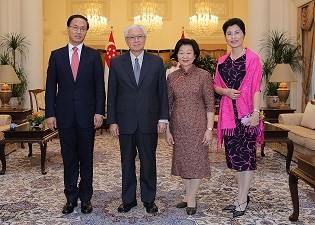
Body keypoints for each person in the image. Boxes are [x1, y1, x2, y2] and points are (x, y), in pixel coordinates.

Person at [45, 14, 105, 215]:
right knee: (69, 158)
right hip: (64, 116)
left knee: (86, 159)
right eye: (75, 27)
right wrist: (50, 114)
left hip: (88, 116)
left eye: (83, 28)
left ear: (86, 31)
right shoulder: (56, 55)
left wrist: (99, 111)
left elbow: (99, 86)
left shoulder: (94, 56)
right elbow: (50, 87)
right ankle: (71, 198)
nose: (79, 31)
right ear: (68, 29)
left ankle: (86, 198)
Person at [107, 24, 169, 214]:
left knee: (148, 162)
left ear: (145, 39)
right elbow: (113, 94)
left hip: (149, 121)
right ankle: (128, 199)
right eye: (132, 37)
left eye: (139, 36)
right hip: (125, 122)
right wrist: (113, 121)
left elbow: (162, 93)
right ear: (126, 41)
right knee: (127, 162)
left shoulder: (157, 62)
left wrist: (163, 119)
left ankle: (149, 199)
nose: (136, 40)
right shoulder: (117, 63)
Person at [213, 18, 264, 218]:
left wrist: (256, 114)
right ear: (225, 37)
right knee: (235, 159)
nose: (233, 37)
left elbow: (256, 89)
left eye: (237, 32)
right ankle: (241, 196)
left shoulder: (252, 59)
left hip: (247, 116)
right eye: (229, 33)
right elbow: (215, 86)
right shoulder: (222, 61)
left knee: (247, 158)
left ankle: (242, 199)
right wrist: (225, 91)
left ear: (243, 34)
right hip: (229, 118)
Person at [165, 38, 215, 215]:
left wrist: (209, 130)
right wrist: (168, 130)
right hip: (178, 126)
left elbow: (210, 105)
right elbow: (168, 105)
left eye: (188, 52)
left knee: (198, 162)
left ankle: (191, 198)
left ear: (195, 55)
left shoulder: (204, 75)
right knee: (184, 163)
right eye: (181, 52)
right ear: (176, 55)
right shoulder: (172, 77)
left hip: (198, 126)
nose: (185, 56)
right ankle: (188, 194)